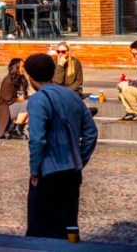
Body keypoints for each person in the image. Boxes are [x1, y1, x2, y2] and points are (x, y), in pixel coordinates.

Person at [23, 53, 98, 240]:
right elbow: (91, 133)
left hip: (49, 173)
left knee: (41, 229)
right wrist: (80, 157)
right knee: (68, 227)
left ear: (30, 77)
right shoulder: (71, 96)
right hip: (72, 171)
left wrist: (34, 170)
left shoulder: (38, 100)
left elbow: (37, 140)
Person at [0, 58, 29, 139]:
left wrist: (23, 93)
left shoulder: (21, 79)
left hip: (16, 106)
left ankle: (15, 127)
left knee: (35, 103)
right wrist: (22, 100)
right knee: (27, 103)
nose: (23, 69)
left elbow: (22, 97)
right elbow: (9, 100)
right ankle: (16, 129)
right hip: (6, 109)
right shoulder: (7, 81)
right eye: (22, 67)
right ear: (16, 67)